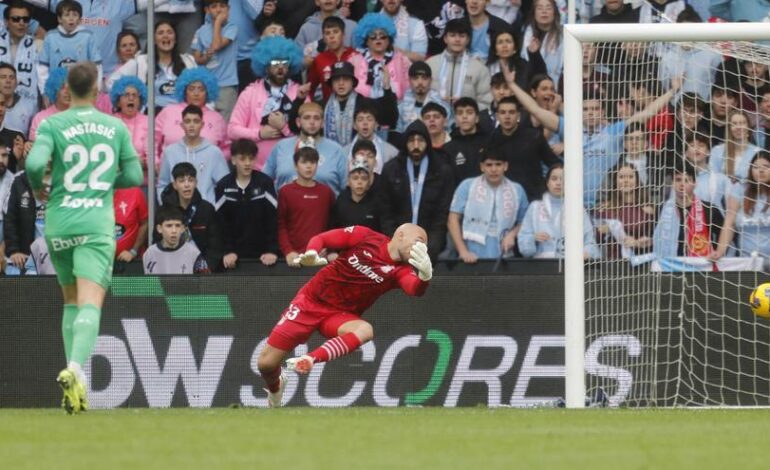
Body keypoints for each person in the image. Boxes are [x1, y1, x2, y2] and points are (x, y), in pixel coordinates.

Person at [24, 62, 143, 414]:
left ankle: (76, 383)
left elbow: (33, 165)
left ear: (67, 88)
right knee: (91, 303)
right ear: (97, 90)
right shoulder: (114, 125)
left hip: (59, 222)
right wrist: (103, 182)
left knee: (70, 301)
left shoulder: (52, 123)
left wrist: (39, 188)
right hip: (95, 224)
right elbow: (135, 174)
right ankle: (76, 369)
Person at [257, 223, 432, 407]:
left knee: (365, 329)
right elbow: (321, 239)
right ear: (401, 235)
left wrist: (425, 277)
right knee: (266, 364)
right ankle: (277, 387)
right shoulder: (365, 236)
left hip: (339, 316)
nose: (421, 249)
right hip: (311, 302)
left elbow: (415, 289)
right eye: (419, 242)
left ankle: (310, 359)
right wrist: (312, 252)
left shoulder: (400, 271)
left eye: (424, 246)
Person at [378, 120, 454, 260]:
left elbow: (441, 216)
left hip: (430, 246)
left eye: (421, 140)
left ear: (428, 143)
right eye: (411, 141)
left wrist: (429, 249)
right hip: (397, 243)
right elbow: (386, 212)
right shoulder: (391, 169)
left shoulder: (442, 171)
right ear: (405, 143)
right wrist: (395, 244)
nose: (416, 145)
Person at [228, 36, 305, 171]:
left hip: (290, 170)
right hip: (254, 169)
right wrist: (259, 134)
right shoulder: (250, 92)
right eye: (275, 63)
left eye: (285, 63)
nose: (280, 67)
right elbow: (232, 130)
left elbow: (308, 135)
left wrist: (284, 128)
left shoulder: (299, 93)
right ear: (265, 65)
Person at [448, 149, 528, 263]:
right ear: (482, 167)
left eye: (498, 164)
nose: (494, 169)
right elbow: (452, 219)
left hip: (504, 255)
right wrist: (463, 251)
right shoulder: (467, 186)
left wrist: (512, 234)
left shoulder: (517, 190)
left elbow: (525, 222)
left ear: (505, 166)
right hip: (472, 254)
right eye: (489, 165)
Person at [215, 138, 279, 269]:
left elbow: (273, 220)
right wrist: (228, 251)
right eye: (242, 159)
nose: (247, 163)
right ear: (233, 160)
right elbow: (221, 224)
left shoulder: (265, 183)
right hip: (233, 256)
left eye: (251, 158)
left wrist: (272, 250)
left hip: (264, 256)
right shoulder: (223, 185)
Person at [106, 21, 196, 111]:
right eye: (160, 33)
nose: (165, 36)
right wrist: (131, 96)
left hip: (183, 116)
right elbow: (110, 82)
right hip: (152, 117)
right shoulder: (140, 62)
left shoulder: (188, 61)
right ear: (154, 40)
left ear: (175, 39)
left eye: (169, 32)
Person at [518, 163, 600, 259]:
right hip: (541, 266)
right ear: (547, 182)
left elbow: (590, 243)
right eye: (554, 179)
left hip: (570, 265)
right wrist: (533, 238)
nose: (558, 183)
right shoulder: (534, 207)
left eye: (563, 179)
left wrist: (583, 254)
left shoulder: (577, 209)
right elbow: (523, 244)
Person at [264, 102, 347, 194]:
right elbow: (263, 181)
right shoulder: (281, 147)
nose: (312, 122)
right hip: (286, 206)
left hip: (325, 207)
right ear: (298, 122)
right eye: (307, 118)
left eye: (316, 118)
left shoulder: (336, 150)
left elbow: (347, 187)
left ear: (322, 123)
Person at [157, 105, 229, 206]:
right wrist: (168, 208)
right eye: (187, 121)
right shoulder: (170, 152)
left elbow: (226, 187)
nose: (191, 125)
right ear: (182, 125)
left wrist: (214, 210)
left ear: (202, 124)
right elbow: (163, 184)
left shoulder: (214, 153)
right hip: (177, 215)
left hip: (205, 214)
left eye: (196, 121)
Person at [154, 67, 230, 163]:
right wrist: (155, 163)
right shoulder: (168, 112)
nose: (196, 93)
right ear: (184, 91)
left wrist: (213, 163)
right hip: (170, 173)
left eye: (201, 89)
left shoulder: (217, 119)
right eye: (191, 89)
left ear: (208, 92)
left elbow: (227, 148)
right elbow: (152, 140)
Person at [159, 162, 224, 272]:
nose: (187, 185)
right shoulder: (164, 211)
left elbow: (215, 245)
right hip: (172, 270)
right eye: (181, 181)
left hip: (203, 271)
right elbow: (158, 242)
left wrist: (205, 269)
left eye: (190, 180)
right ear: (174, 185)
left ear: (196, 183)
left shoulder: (207, 209)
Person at [653, 161, 724, 259]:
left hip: (701, 267)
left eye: (687, 180)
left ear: (695, 183)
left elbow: (726, 234)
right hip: (669, 267)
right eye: (678, 180)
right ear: (672, 183)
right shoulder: (662, 209)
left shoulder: (709, 209)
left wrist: (716, 252)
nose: (682, 184)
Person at [277, 147, 335, 267]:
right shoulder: (285, 192)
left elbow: (333, 225)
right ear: (295, 165)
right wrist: (288, 251)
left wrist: (329, 247)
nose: (309, 166)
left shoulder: (326, 192)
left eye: (313, 162)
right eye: (304, 162)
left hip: (320, 258)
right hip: (294, 258)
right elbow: (280, 225)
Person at [712, 152, 770, 260]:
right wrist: (720, 251)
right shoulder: (739, 188)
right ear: (750, 170)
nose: (761, 170)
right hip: (745, 261)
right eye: (756, 167)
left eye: (766, 166)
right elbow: (729, 223)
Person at [593, 162, 656, 259]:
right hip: (613, 267)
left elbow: (656, 242)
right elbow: (594, 242)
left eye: (631, 177)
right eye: (622, 177)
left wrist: (636, 243)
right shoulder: (605, 209)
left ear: (637, 181)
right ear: (615, 181)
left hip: (641, 266)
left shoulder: (648, 210)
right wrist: (602, 231)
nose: (626, 181)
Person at [426, 18, 492, 110]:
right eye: (452, 35)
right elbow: (422, 96)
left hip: (467, 122)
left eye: (462, 36)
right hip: (435, 121)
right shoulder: (430, 64)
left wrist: (468, 111)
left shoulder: (479, 68)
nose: (457, 40)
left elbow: (486, 102)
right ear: (445, 38)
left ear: (468, 39)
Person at [38, 1, 101, 96]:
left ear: (80, 20)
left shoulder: (88, 37)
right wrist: (44, 92)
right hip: (57, 92)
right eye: (67, 15)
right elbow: (42, 67)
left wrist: (97, 88)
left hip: (81, 91)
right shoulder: (50, 37)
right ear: (59, 19)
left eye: (75, 15)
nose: (71, 18)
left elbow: (97, 66)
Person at [190, 0, 239, 121]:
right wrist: (205, 56)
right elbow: (197, 59)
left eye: (222, 6)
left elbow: (217, 45)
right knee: (206, 123)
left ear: (228, 9)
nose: (218, 10)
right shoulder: (200, 31)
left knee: (224, 124)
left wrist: (217, 23)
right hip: (205, 86)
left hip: (227, 85)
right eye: (214, 6)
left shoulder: (232, 27)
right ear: (207, 10)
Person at [0, 2, 40, 136]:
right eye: (16, 19)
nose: (21, 23)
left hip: (25, 108)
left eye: (25, 19)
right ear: (6, 22)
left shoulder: (38, 46)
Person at [352, 13, 411, 100]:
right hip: (363, 110)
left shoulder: (401, 60)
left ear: (389, 40)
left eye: (383, 36)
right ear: (366, 41)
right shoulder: (355, 61)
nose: (378, 39)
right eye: (373, 36)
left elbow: (410, 90)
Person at [308, 16, 365, 102]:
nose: (332, 36)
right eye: (327, 33)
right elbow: (310, 88)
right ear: (323, 38)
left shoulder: (356, 56)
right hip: (329, 109)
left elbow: (364, 85)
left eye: (335, 32)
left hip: (356, 107)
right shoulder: (319, 60)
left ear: (343, 34)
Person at [143, 206, 209, 275]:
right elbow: (148, 284)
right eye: (169, 226)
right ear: (159, 228)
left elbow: (205, 282)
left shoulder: (193, 253)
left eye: (177, 226)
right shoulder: (150, 253)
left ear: (183, 228)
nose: (174, 231)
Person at [110, 76, 149, 184]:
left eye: (134, 95)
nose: (131, 98)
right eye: (126, 95)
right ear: (118, 102)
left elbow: (153, 155)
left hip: (143, 182)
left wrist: (144, 163)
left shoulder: (149, 122)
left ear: (140, 101)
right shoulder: (110, 122)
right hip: (117, 183)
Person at [397, 60, 451, 134]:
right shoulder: (401, 109)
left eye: (424, 78)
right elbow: (398, 135)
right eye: (415, 78)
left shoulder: (444, 107)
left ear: (431, 80)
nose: (420, 82)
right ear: (409, 81)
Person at [342, 104, 399, 174]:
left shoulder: (391, 153)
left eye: (369, 119)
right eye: (360, 119)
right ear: (354, 125)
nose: (365, 123)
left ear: (376, 124)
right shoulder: (343, 153)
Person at [443, 97, 486, 187]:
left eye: (469, 112)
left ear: (477, 118)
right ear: (455, 119)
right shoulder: (448, 148)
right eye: (460, 113)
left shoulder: (489, 143)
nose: (464, 116)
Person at [710, 109, 761, 183]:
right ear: (729, 128)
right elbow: (713, 179)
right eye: (734, 124)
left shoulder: (758, 153)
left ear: (748, 126)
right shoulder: (717, 151)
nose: (738, 127)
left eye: (742, 123)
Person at [521, 0, 563, 86]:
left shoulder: (563, 36)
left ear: (555, 13)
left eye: (548, 8)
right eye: (540, 8)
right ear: (534, 12)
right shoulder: (524, 34)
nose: (544, 11)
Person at [331, 159, 380, 230]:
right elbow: (334, 227)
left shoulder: (376, 202)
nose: (359, 182)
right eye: (355, 178)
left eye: (364, 178)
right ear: (348, 181)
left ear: (369, 183)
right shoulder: (341, 200)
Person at [28, 68, 69, 143]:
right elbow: (32, 146)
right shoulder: (40, 118)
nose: (67, 92)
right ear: (54, 89)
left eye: (71, 87)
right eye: (62, 87)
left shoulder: (82, 115)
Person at [114, 186, 148, 264]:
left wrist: (133, 251)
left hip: (131, 261)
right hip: (101, 260)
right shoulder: (93, 195)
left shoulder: (134, 191)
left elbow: (145, 223)